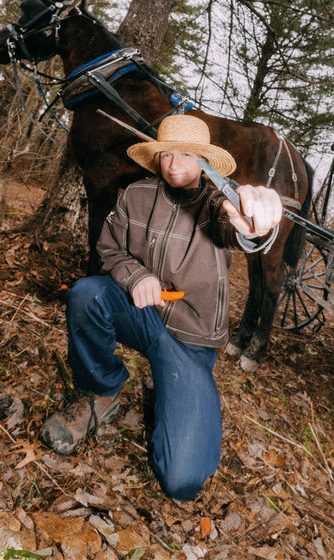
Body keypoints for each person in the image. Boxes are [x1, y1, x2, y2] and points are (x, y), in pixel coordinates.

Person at [39, 114, 283, 500]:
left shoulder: (216, 205)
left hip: (189, 337)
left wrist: (254, 224)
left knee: (181, 480)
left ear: (204, 163)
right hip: (140, 314)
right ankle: (101, 390)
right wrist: (137, 277)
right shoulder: (135, 195)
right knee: (86, 294)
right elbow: (108, 247)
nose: (173, 164)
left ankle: (183, 397)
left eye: (186, 154)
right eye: (167, 154)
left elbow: (236, 228)